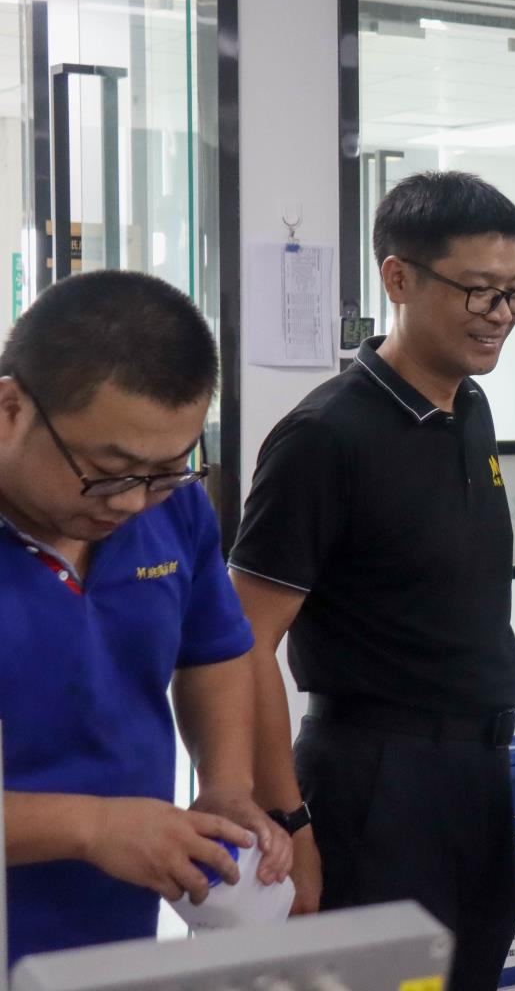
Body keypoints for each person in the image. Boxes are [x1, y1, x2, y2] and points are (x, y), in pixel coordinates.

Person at [230, 172, 515, 991]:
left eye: (514, 292)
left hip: (479, 772)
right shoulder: (324, 438)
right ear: (398, 278)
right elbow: (244, 642)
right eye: (479, 291)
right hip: (374, 781)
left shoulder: (470, 410)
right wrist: (289, 819)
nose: (501, 314)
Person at [0, 271, 289, 963]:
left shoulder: (173, 506)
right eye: (111, 470)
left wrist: (226, 786)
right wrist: (92, 827)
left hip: (111, 930)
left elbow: (213, 648)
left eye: (167, 469)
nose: (133, 502)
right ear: (10, 409)